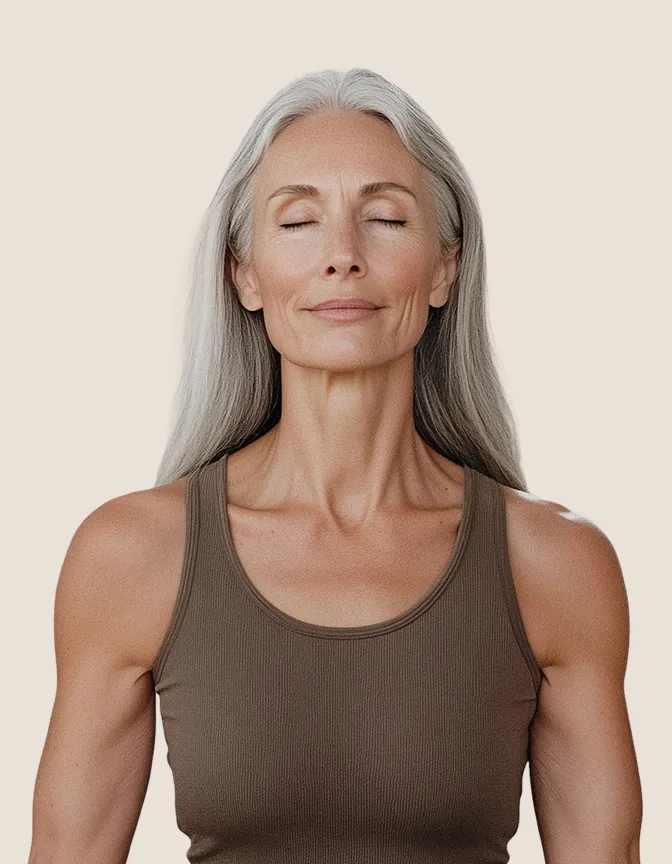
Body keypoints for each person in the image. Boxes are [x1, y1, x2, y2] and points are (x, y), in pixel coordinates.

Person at [27, 68, 642, 863]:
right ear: (243, 274)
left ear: (446, 269)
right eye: (298, 223)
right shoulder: (130, 557)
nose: (342, 256)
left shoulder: (556, 567)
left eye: (384, 218)